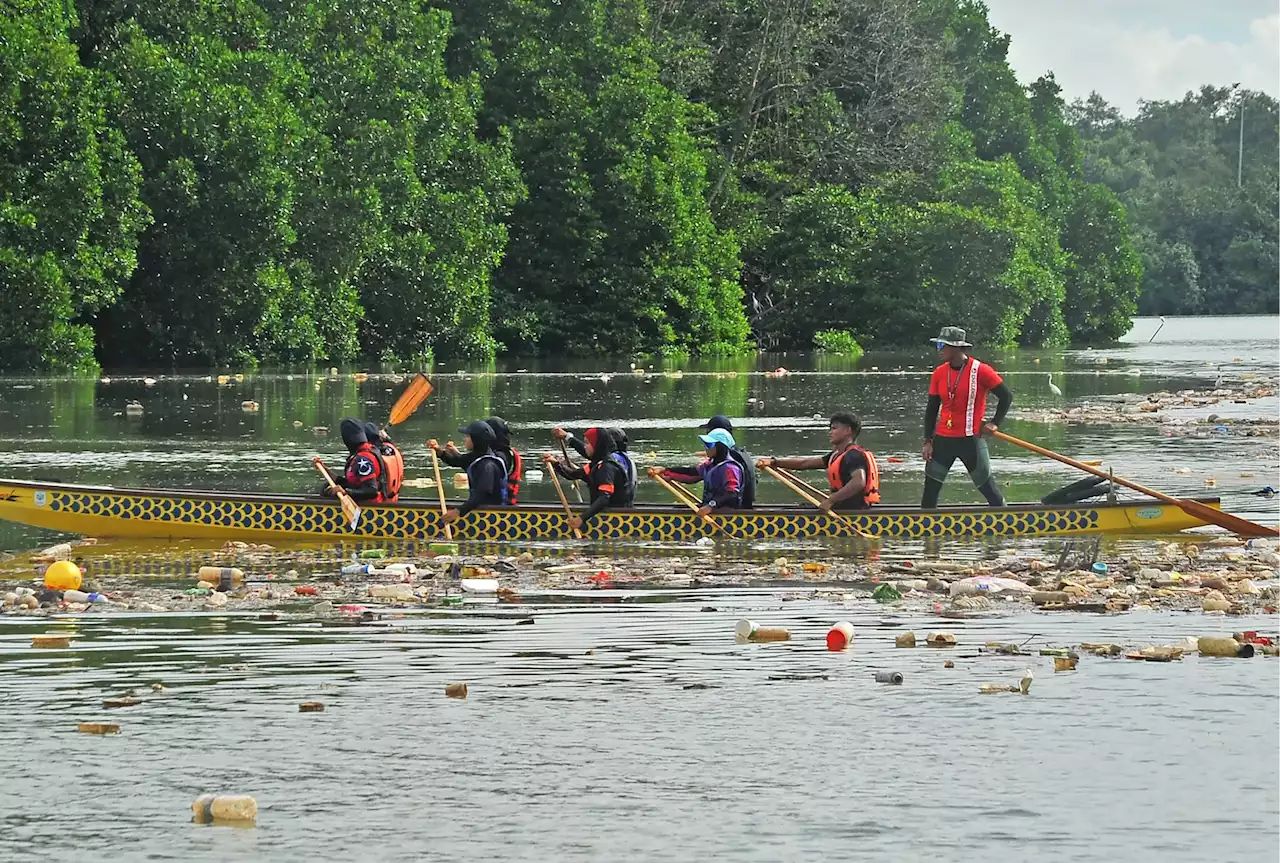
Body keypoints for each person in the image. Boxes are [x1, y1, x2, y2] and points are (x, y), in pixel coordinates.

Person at [921, 326, 1011, 508]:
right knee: (929, 493)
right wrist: (928, 441)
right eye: (938, 345)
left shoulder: (981, 371)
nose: (939, 350)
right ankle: (925, 532)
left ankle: (1008, 522)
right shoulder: (939, 373)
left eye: (942, 345)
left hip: (970, 440)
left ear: (956, 348)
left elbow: (1006, 396)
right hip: (943, 441)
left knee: (988, 489)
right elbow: (931, 409)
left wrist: (995, 423)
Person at [757, 412, 880, 511]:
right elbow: (804, 464)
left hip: (853, 511)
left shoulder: (853, 456)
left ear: (847, 431)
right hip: (841, 507)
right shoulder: (837, 455)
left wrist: (831, 500)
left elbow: (858, 483)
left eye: (834, 428)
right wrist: (774, 462)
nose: (830, 432)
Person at [546, 427, 633, 531]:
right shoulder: (595, 465)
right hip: (603, 517)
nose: (585, 447)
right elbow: (573, 475)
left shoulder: (607, 467)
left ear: (597, 445)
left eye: (588, 443)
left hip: (616, 521)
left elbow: (604, 499)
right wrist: (555, 464)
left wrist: (581, 519)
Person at [429, 415, 523, 504]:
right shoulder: (503, 454)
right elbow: (466, 461)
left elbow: (471, 464)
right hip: (502, 505)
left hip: (499, 508)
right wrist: (440, 451)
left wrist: (459, 511)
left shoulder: (496, 458)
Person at [661, 428, 744, 515]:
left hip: (726, 515)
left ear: (720, 447)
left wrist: (711, 506)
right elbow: (692, 474)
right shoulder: (710, 464)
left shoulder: (730, 468)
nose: (706, 448)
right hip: (712, 510)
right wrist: (666, 472)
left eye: (709, 444)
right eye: (705, 444)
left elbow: (732, 493)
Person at [440, 420, 508, 524]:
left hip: (492, 518)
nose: (465, 439)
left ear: (476, 440)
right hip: (482, 511)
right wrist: (439, 451)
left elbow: (481, 494)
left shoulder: (487, 465)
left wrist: (458, 511)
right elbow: (458, 461)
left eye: (468, 436)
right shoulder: (477, 457)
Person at [553, 425, 637, 499]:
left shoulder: (613, 460)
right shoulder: (625, 459)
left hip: (615, 507)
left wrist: (567, 437)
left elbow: (589, 453)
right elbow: (581, 473)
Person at [318, 418, 387, 503]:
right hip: (368, 500)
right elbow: (350, 483)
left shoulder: (363, 460)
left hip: (371, 506)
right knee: (326, 488)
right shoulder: (363, 452)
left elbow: (372, 491)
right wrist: (325, 469)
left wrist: (345, 492)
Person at [700, 415, 757, 508]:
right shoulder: (736, 453)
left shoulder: (731, 461)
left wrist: (711, 505)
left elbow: (732, 492)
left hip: (732, 510)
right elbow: (697, 473)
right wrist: (669, 473)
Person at [362, 421, 404, 503]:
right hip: (393, 499)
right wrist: (387, 439)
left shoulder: (371, 455)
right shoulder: (392, 449)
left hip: (380, 503)